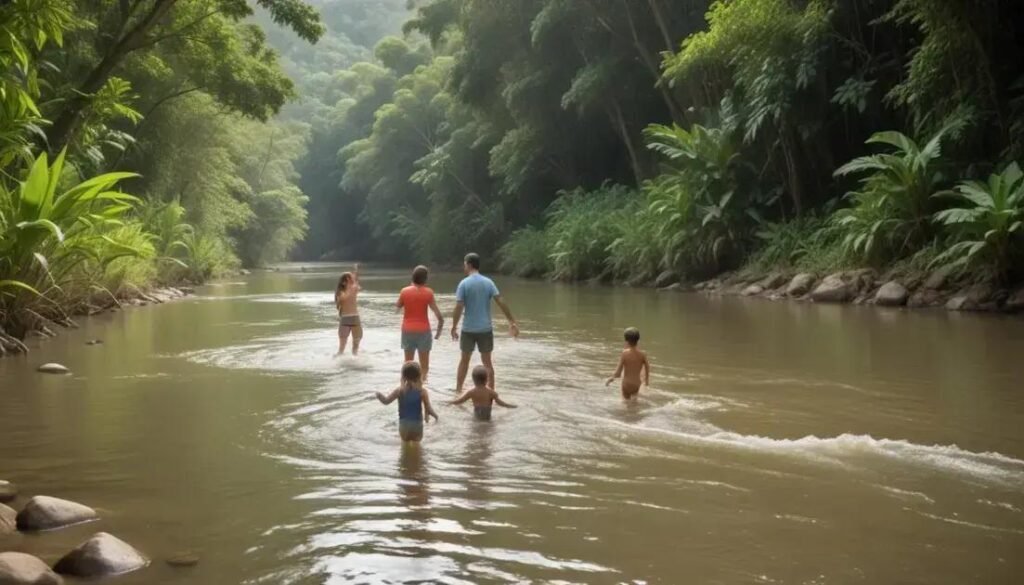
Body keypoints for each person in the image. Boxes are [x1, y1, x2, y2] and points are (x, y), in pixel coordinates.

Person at [451, 253, 519, 393]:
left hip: (468, 329)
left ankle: (458, 391)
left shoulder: (464, 283)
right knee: (487, 362)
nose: (463, 266)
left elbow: (459, 306)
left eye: (464, 264)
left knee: (464, 360)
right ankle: (491, 392)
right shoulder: (489, 282)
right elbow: (500, 301)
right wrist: (511, 320)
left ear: (469, 264)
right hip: (485, 329)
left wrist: (454, 326)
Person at [396, 265, 444, 381]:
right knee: (424, 366)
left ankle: (404, 386)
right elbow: (438, 315)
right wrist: (438, 331)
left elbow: (397, 308)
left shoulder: (404, 291)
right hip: (423, 331)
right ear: (425, 279)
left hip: (407, 330)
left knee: (407, 364)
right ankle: (422, 387)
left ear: (413, 277)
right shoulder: (428, 293)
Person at [376, 361, 439, 443]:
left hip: (404, 426)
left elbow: (386, 401)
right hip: (417, 425)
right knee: (417, 447)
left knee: (405, 446)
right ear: (419, 376)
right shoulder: (422, 392)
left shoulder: (399, 391)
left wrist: (377, 394)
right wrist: (436, 417)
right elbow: (428, 408)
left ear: (403, 376)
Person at [449, 365, 517, 421]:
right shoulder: (491, 392)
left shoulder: (471, 392)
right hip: (487, 417)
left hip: (477, 416)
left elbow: (459, 401)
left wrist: (448, 403)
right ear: (487, 379)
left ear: (473, 379)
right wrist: (511, 406)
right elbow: (501, 403)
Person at [605, 327, 650, 400]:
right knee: (635, 400)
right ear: (638, 340)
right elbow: (647, 367)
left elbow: (618, 372)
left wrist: (611, 378)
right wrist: (646, 381)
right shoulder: (642, 354)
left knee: (625, 402)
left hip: (626, 384)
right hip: (637, 384)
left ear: (626, 341)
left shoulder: (624, 354)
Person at [334, 263, 362, 355]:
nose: (351, 281)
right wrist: (351, 287)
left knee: (356, 347)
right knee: (341, 348)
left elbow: (357, 284)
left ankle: (354, 361)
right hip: (345, 319)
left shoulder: (354, 288)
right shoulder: (340, 292)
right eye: (349, 279)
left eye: (351, 279)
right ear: (343, 282)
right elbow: (344, 298)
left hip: (355, 318)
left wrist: (355, 273)